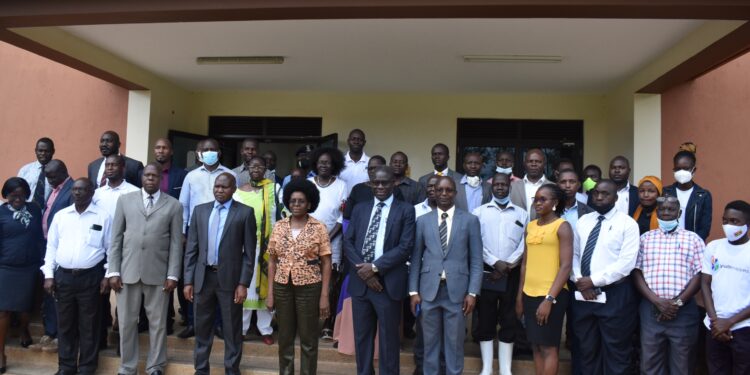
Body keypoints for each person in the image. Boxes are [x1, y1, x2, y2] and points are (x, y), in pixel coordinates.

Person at [107, 164, 183, 375]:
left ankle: (156, 366)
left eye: (155, 176)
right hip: (127, 272)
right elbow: (116, 238)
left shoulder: (174, 205)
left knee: (158, 324)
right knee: (126, 323)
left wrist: (172, 274)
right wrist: (113, 271)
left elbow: (177, 244)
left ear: (160, 179)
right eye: (147, 175)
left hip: (158, 274)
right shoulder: (125, 201)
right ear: (142, 177)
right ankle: (127, 367)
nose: (150, 178)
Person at [344, 166, 416, 375]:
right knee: (362, 338)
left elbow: (405, 247)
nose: (381, 186)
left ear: (394, 182)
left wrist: (375, 268)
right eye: (377, 182)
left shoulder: (406, 210)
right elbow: (348, 242)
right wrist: (365, 273)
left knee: (389, 340)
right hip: (361, 285)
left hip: (388, 284)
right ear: (370, 184)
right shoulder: (360, 208)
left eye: (385, 182)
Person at [183, 173, 256, 375]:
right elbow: (191, 249)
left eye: (224, 187)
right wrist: (188, 280)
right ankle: (201, 369)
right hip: (203, 278)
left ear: (234, 189)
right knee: (202, 326)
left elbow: (250, 254)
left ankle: (232, 369)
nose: (219, 190)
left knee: (232, 328)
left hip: (230, 281)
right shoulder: (200, 211)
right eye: (217, 186)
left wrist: (243, 283)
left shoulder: (244, 213)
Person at [409, 177, 483, 375]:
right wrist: (413, 291)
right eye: (439, 190)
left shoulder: (470, 220)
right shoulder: (422, 221)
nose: (443, 194)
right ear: (433, 191)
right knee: (429, 345)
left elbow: (476, 261)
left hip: (457, 294)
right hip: (428, 292)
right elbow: (416, 258)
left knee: (454, 345)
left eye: (448, 190)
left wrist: (473, 293)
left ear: (455, 193)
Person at [42, 178, 111, 375]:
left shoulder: (103, 217)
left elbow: (111, 249)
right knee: (65, 325)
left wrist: (107, 275)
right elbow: (52, 247)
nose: (77, 193)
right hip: (63, 277)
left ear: (92, 192)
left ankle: (87, 368)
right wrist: (48, 275)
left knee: (89, 325)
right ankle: (66, 366)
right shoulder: (61, 216)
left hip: (91, 277)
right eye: (75, 189)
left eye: (82, 189)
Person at [572, 179, 640, 375]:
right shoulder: (584, 221)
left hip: (615, 296)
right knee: (586, 350)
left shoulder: (628, 224)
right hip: (583, 296)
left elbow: (626, 264)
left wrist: (593, 281)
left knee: (616, 352)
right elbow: (574, 255)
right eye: (596, 193)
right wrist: (581, 281)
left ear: (616, 197)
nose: (599, 197)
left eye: (605, 194)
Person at [633, 195, 705, 375]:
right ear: (657, 212)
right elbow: (636, 272)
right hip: (651, 309)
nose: (666, 213)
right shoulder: (645, 239)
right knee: (650, 363)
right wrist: (657, 301)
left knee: (682, 364)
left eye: (671, 209)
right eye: (662, 209)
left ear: (679, 212)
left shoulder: (693, 239)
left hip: (683, 310)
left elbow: (700, 273)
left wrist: (676, 303)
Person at [266, 178, 331, 375]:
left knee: (308, 339)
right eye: (292, 201)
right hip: (282, 286)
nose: (296, 204)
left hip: (309, 287)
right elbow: (272, 261)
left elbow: (326, 263)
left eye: (301, 201)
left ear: (309, 203)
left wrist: (324, 296)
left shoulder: (319, 227)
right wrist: (270, 293)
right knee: (284, 338)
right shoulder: (279, 226)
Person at [472, 172, 528, 375]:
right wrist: (495, 263)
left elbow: (525, 243)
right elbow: (476, 242)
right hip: (488, 273)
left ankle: (506, 369)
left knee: (509, 319)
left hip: (511, 274)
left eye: (504, 185)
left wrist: (509, 264)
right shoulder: (479, 212)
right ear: (492, 187)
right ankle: (486, 368)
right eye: (497, 185)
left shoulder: (521, 214)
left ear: (509, 187)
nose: (500, 188)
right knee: (486, 319)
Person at [516, 184, 573, 375]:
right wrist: (519, 297)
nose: (537, 203)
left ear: (555, 203)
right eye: (536, 199)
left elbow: (566, 266)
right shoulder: (530, 226)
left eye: (543, 199)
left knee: (549, 347)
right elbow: (525, 263)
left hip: (551, 296)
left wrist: (549, 299)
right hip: (529, 294)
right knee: (536, 346)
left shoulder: (562, 226)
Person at [91, 154, 139, 344]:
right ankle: (101, 336)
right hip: (101, 250)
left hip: (126, 249)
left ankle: (121, 338)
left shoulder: (134, 192)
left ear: (123, 168)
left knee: (124, 294)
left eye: (114, 165)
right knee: (100, 295)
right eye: (107, 165)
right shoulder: (96, 194)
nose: (109, 168)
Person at [28, 160, 73, 353]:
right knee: (48, 290)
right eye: (47, 176)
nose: (49, 180)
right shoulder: (55, 189)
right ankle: (50, 331)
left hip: (62, 249)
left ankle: (59, 336)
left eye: (52, 176)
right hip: (47, 247)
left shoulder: (72, 190)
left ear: (63, 171)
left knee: (58, 294)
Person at [232, 156, 278, 344]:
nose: (256, 169)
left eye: (260, 166)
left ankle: (265, 329)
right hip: (245, 245)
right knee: (245, 285)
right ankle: (241, 329)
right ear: (248, 169)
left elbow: (283, 214)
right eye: (253, 166)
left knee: (266, 286)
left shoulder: (274, 190)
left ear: (266, 168)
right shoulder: (238, 192)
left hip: (268, 246)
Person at [0, 178, 44, 373]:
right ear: (6, 195)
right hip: (6, 267)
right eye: (13, 195)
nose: (18, 199)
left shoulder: (34, 209)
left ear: (27, 194)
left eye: (21, 195)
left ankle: (24, 329)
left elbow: (39, 236)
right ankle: (0, 353)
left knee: (26, 307)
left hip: (30, 266)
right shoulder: (0, 213)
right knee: (3, 311)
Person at [701, 200, 750, 374]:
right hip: (713, 327)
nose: (728, 225)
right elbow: (705, 284)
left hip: (743, 328)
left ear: (748, 224)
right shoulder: (713, 247)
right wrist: (716, 322)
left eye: (735, 221)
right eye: (725, 220)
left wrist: (729, 322)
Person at [307, 147, 348, 341]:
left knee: (330, 284)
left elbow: (342, 218)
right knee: (309, 283)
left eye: (328, 162)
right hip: (307, 242)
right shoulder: (307, 184)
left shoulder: (341, 185)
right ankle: (309, 324)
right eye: (321, 162)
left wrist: (325, 239)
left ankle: (328, 325)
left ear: (335, 165)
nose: (324, 165)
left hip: (333, 241)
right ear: (315, 164)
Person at [556, 167, 593, 375]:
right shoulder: (549, 208)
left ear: (579, 185)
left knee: (577, 321)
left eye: (572, 182)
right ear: (557, 183)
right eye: (563, 182)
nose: (568, 186)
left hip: (578, 274)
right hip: (554, 273)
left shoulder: (588, 210)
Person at [153, 137, 188, 331]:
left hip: (175, 232)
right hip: (153, 234)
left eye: (165, 148)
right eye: (157, 147)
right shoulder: (146, 173)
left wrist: (182, 231)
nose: (161, 151)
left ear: (171, 151)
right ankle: (164, 319)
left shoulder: (181, 175)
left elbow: (185, 205)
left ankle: (185, 314)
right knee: (157, 278)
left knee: (178, 275)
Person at [411, 174, 441, 375]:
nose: (432, 190)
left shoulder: (452, 214)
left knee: (443, 326)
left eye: (436, 187)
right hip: (422, 275)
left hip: (445, 278)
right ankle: (420, 366)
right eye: (429, 186)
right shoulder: (414, 211)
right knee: (422, 325)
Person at [663, 150, 713, 241]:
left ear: (694, 170)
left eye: (686, 168)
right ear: (673, 170)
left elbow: (705, 228)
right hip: (668, 244)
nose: (681, 172)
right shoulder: (665, 192)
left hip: (692, 245)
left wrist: (692, 243)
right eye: (678, 169)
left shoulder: (703, 195)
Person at [343, 156, 404, 222]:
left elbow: (401, 215)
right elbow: (347, 217)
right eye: (370, 168)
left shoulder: (394, 190)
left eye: (376, 168)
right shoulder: (357, 189)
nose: (372, 171)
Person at [510, 148, 553, 220]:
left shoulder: (553, 187)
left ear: (544, 164)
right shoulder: (512, 186)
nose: (534, 164)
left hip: (544, 230)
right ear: (524, 163)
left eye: (538, 161)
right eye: (530, 161)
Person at [17, 137, 54, 206]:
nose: (43, 153)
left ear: (53, 151)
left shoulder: (57, 171)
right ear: (35, 151)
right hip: (26, 212)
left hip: (48, 213)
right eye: (40, 150)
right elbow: (17, 192)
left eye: (47, 151)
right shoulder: (25, 170)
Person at [339, 129, 370, 195]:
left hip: (364, 202)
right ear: (348, 141)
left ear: (364, 142)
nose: (356, 142)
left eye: (359, 139)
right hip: (343, 202)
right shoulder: (340, 161)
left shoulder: (370, 162)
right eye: (353, 139)